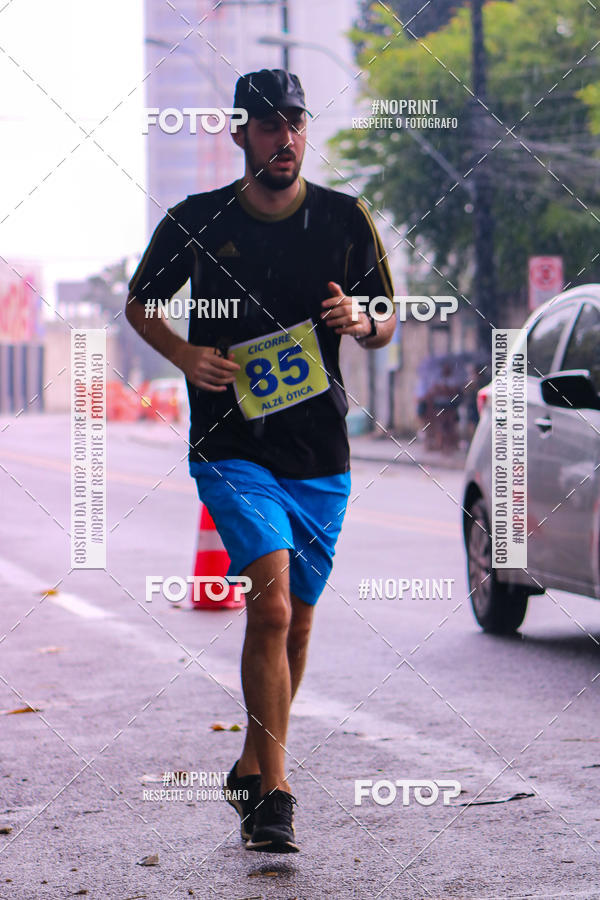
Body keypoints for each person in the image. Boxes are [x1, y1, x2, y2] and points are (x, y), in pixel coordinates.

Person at [125, 68, 396, 853]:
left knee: (300, 620)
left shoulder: (346, 218)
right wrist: (182, 354)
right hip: (231, 442)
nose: (286, 138)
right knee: (271, 606)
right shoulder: (196, 220)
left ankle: (252, 762)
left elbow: (387, 317)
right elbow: (142, 300)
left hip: (319, 448)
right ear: (239, 133)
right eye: (269, 125)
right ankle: (275, 795)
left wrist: (361, 319)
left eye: (296, 123)